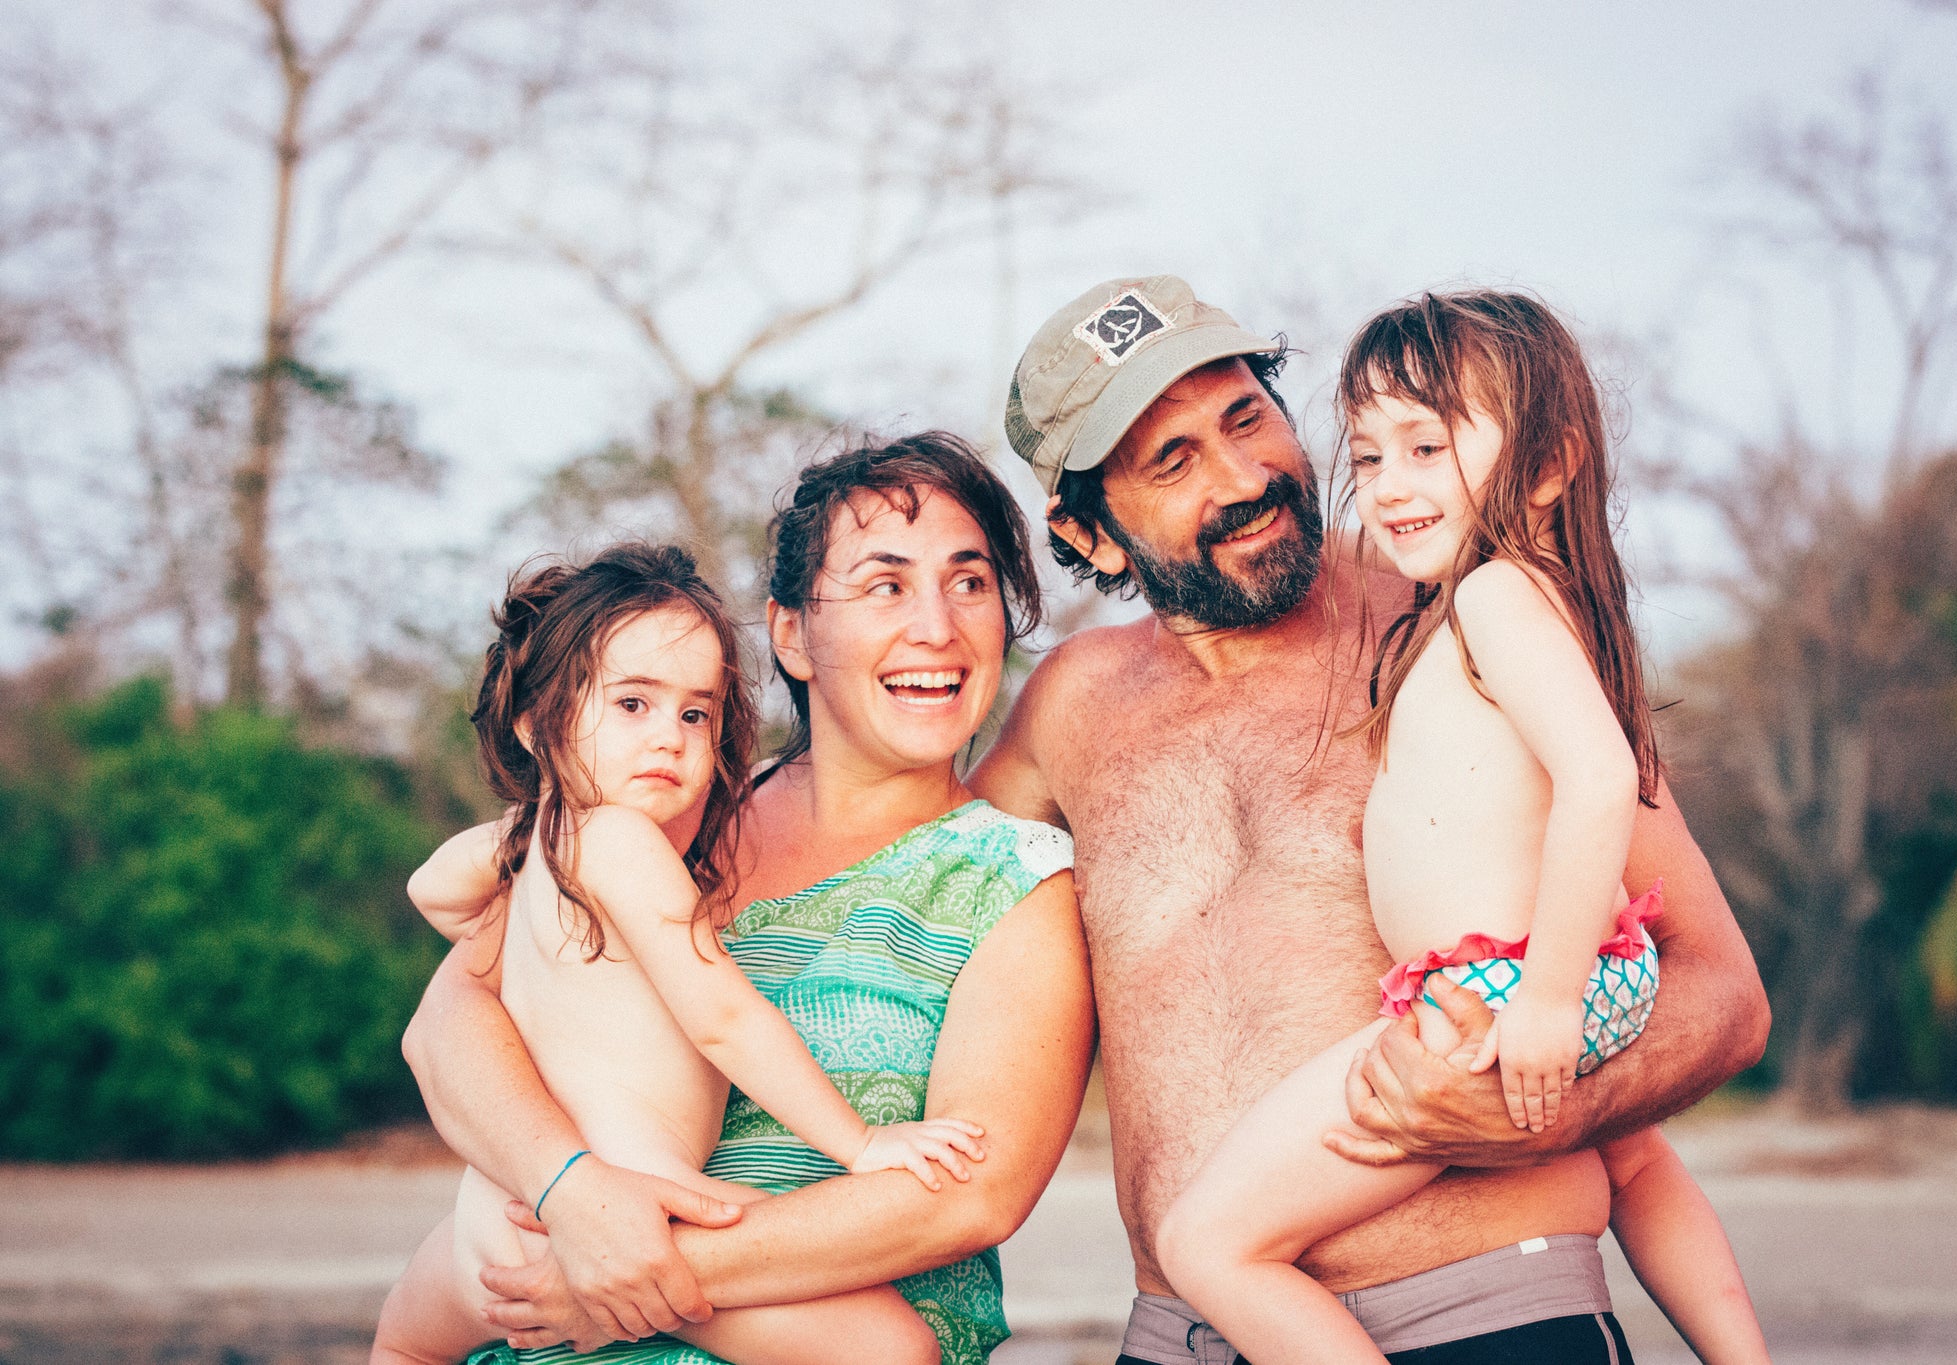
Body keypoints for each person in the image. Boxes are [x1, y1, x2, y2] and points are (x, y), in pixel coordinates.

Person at [969, 275, 1770, 1363]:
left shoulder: (1459, 623)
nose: (1245, 475)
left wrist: (1554, 1108)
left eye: (1246, 416)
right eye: (1173, 459)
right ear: (1089, 531)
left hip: (1489, 1319)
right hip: (1181, 1339)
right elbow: (910, 900)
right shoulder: (1063, 708)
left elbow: (1720, 992)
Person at [398, 435, 1094, 1365]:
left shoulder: (1011, 880)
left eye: (969, 582)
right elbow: (446, 1022)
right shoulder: (662, 823)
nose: (938, 624)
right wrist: (568, 1191)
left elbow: (966, 1194)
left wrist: (630, 1275)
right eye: (886, 584)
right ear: (793, 633)